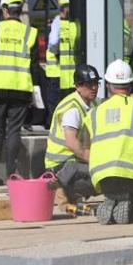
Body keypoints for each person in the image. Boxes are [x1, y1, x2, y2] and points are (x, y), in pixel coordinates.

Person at [87, 59, 133, 225]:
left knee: (115, 190)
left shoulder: (94, 113)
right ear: (131, 84)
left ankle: (113, 199)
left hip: (103, 176)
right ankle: (132, 205)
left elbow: (87, 145)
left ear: (108, 85)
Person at [0, 0, 39, 185]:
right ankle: (11, 174)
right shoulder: (30, 33)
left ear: (5, 9)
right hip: (20, 90)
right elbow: (34, 67)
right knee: (14, 131)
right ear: (20, 9)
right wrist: (36, 96)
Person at [45, 64, 101, 205]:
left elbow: (112, 102)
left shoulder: (89, 102)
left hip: (70, 162)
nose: (94, 88)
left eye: (96, 83)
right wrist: (95, 161)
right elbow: (71, 143)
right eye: (89, 84)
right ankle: (66, 188)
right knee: (101, 174)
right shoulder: (72, 109)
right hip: (61, 165)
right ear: (78, 86)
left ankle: (70, 192)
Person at [46, 0, 80, 107]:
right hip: (73, 76)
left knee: (56, 107)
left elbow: (53, 42)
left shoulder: (57, 22)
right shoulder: (76, 24)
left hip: (56, 73)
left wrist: (54, 52)